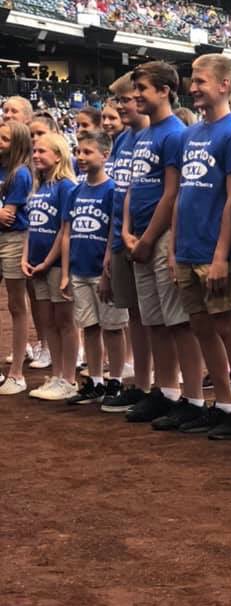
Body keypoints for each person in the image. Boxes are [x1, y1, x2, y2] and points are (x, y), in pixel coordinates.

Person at [172, 53, 231, 440]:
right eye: (192, 80)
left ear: (224, 85)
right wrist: (175, 249)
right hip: (189, 249)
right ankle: (222, 403)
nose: (193, 87)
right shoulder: (192, 134)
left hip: (216, 251)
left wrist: (222, 255)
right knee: (201, 327)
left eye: (201, 80)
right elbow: (181, 197)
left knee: (227, 326)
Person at [123, 61, 204, 428]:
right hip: (138, 236)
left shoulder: (175, 133)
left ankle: (193, 397)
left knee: (178, 322)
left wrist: (150, 238)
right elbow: (132, 189)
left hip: (161, 236)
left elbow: (172, 193)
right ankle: (167, 391)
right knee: (154, 320)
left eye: (142, 88)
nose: (136, 95)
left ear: (164, 91)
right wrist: (128, 232)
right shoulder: (143, 134)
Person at [61, 131, 129, 405]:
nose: (81, 157)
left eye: (88, 152)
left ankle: (116, 380)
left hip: (102, 272)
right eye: (78, 152)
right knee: (89, 326)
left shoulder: (112, 190)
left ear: (105, 155)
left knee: (113, 327)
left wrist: (107, 272)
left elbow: (114, 232)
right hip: (79, 270)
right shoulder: (76, 190)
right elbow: (66, 233)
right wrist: (65, 272)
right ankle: (96, 380)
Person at [100, 74, 152, 412]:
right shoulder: (123, 140)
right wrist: (109, 246)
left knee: (154, 318)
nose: (120, 106)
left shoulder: (151, 136)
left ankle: (162, 385)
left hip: (143, 239)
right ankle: (143, 383)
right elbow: (120, 195)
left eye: (125, 100)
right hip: (120, 237)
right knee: (135, 313)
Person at [24, 132, 79, 400]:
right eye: (34, 151)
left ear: (58, 155)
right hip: (36, 265)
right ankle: (56, 375)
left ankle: (69, 377)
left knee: (65, 321)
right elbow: (31, 227)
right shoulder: (38, 185)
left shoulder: (66, 186)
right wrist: (25, 257)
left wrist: (48, 262)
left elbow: (64, 230)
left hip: (56, 265)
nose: (36, 156)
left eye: (42, 151)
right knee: (48, 323)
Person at [0, 120, 32, 395]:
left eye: (5, 139)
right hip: (5, 236)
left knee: (16, 305)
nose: (0, 142)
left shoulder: (20, 173)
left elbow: (8, 216)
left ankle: (17, 371)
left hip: (13, 239)